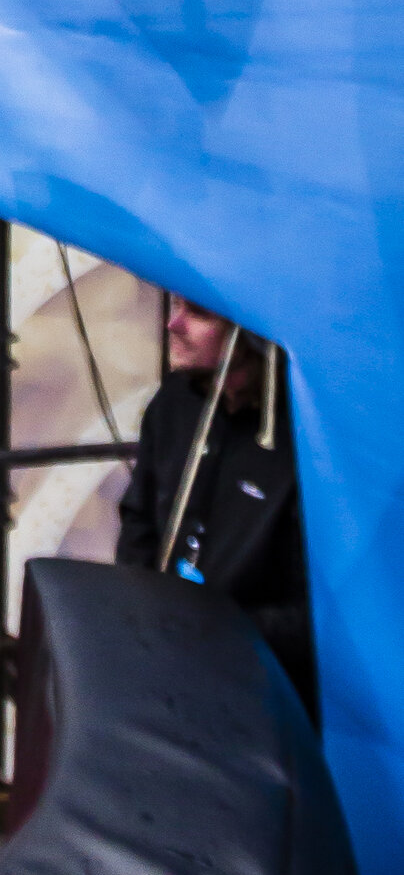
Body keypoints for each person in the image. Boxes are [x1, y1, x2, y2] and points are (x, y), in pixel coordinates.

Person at [117, 296, 313, 707]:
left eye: (198, 314)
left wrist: (220, 631)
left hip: (261, 690)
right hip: (166, 665)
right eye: (175, 307)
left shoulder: (302, 441)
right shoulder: (173, 406)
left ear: (249, 335)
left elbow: (313, 611)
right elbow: (139, 521)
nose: (173, 325)